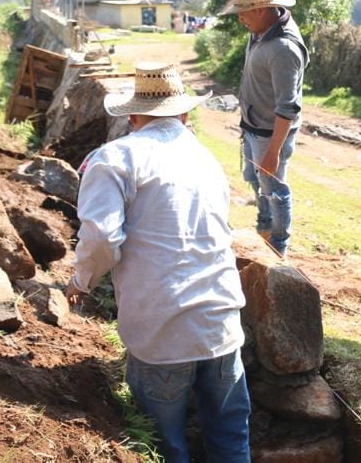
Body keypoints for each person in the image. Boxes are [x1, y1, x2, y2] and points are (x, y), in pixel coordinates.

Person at [66, 62, 250, 462]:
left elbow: (100, 239)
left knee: (165, 447)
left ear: (132, 115)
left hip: (161, 330)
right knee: (231, 440)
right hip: (220, 322)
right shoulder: (205, 160)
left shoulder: (115, 158)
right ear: (184, 114)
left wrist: (81, 282)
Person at [219, 0, 309, 257]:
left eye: (243, 13)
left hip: (271, 134)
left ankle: (278, 244)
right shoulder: (260, 31)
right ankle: (264, 225)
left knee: (275, 188)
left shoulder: (283, 48)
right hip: (253, 128)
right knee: (256, 180)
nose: (240, 19)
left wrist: (274, 151)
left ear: (260, 9)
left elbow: (287, 107)